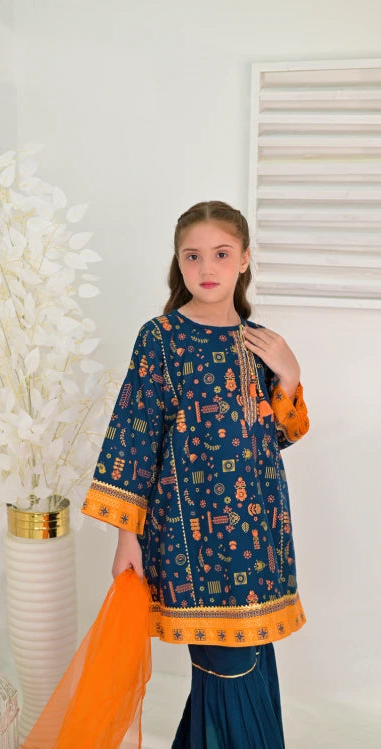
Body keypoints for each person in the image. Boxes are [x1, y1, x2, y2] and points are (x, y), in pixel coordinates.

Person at [81, 200, 310, 748]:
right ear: (178, 262)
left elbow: (278, 436)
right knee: (227, 666)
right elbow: (134, 439)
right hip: (191, 538)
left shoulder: (261, 343)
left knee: (248, 658)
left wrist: (289, 374)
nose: (207, 267)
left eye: (221, 254)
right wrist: (126, 537)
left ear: (245, 259)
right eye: (193, 256)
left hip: (258, 536)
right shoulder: (160, 338)